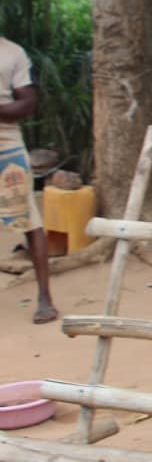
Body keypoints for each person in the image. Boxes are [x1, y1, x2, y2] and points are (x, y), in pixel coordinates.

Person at [0, 36, 58, 324]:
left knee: (29, 220)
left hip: (6, 144)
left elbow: (27, 104)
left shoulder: (13, 53)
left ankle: (45, 297)